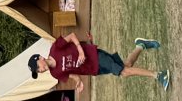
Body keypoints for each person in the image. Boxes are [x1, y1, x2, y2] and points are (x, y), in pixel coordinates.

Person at [30, 31, 169, 92]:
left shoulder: (55, 48)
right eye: (38, 71)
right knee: (126, 66)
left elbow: (72, 36)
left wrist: (80, 51)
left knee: (124, 72)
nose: (40, 70)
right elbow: (72, 74)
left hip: (94, 56)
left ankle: (159, 75)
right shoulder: (55, 74)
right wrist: (78, 82)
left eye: (38, 67)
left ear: (40, 58)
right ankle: (141, 45)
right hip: (94, 69)